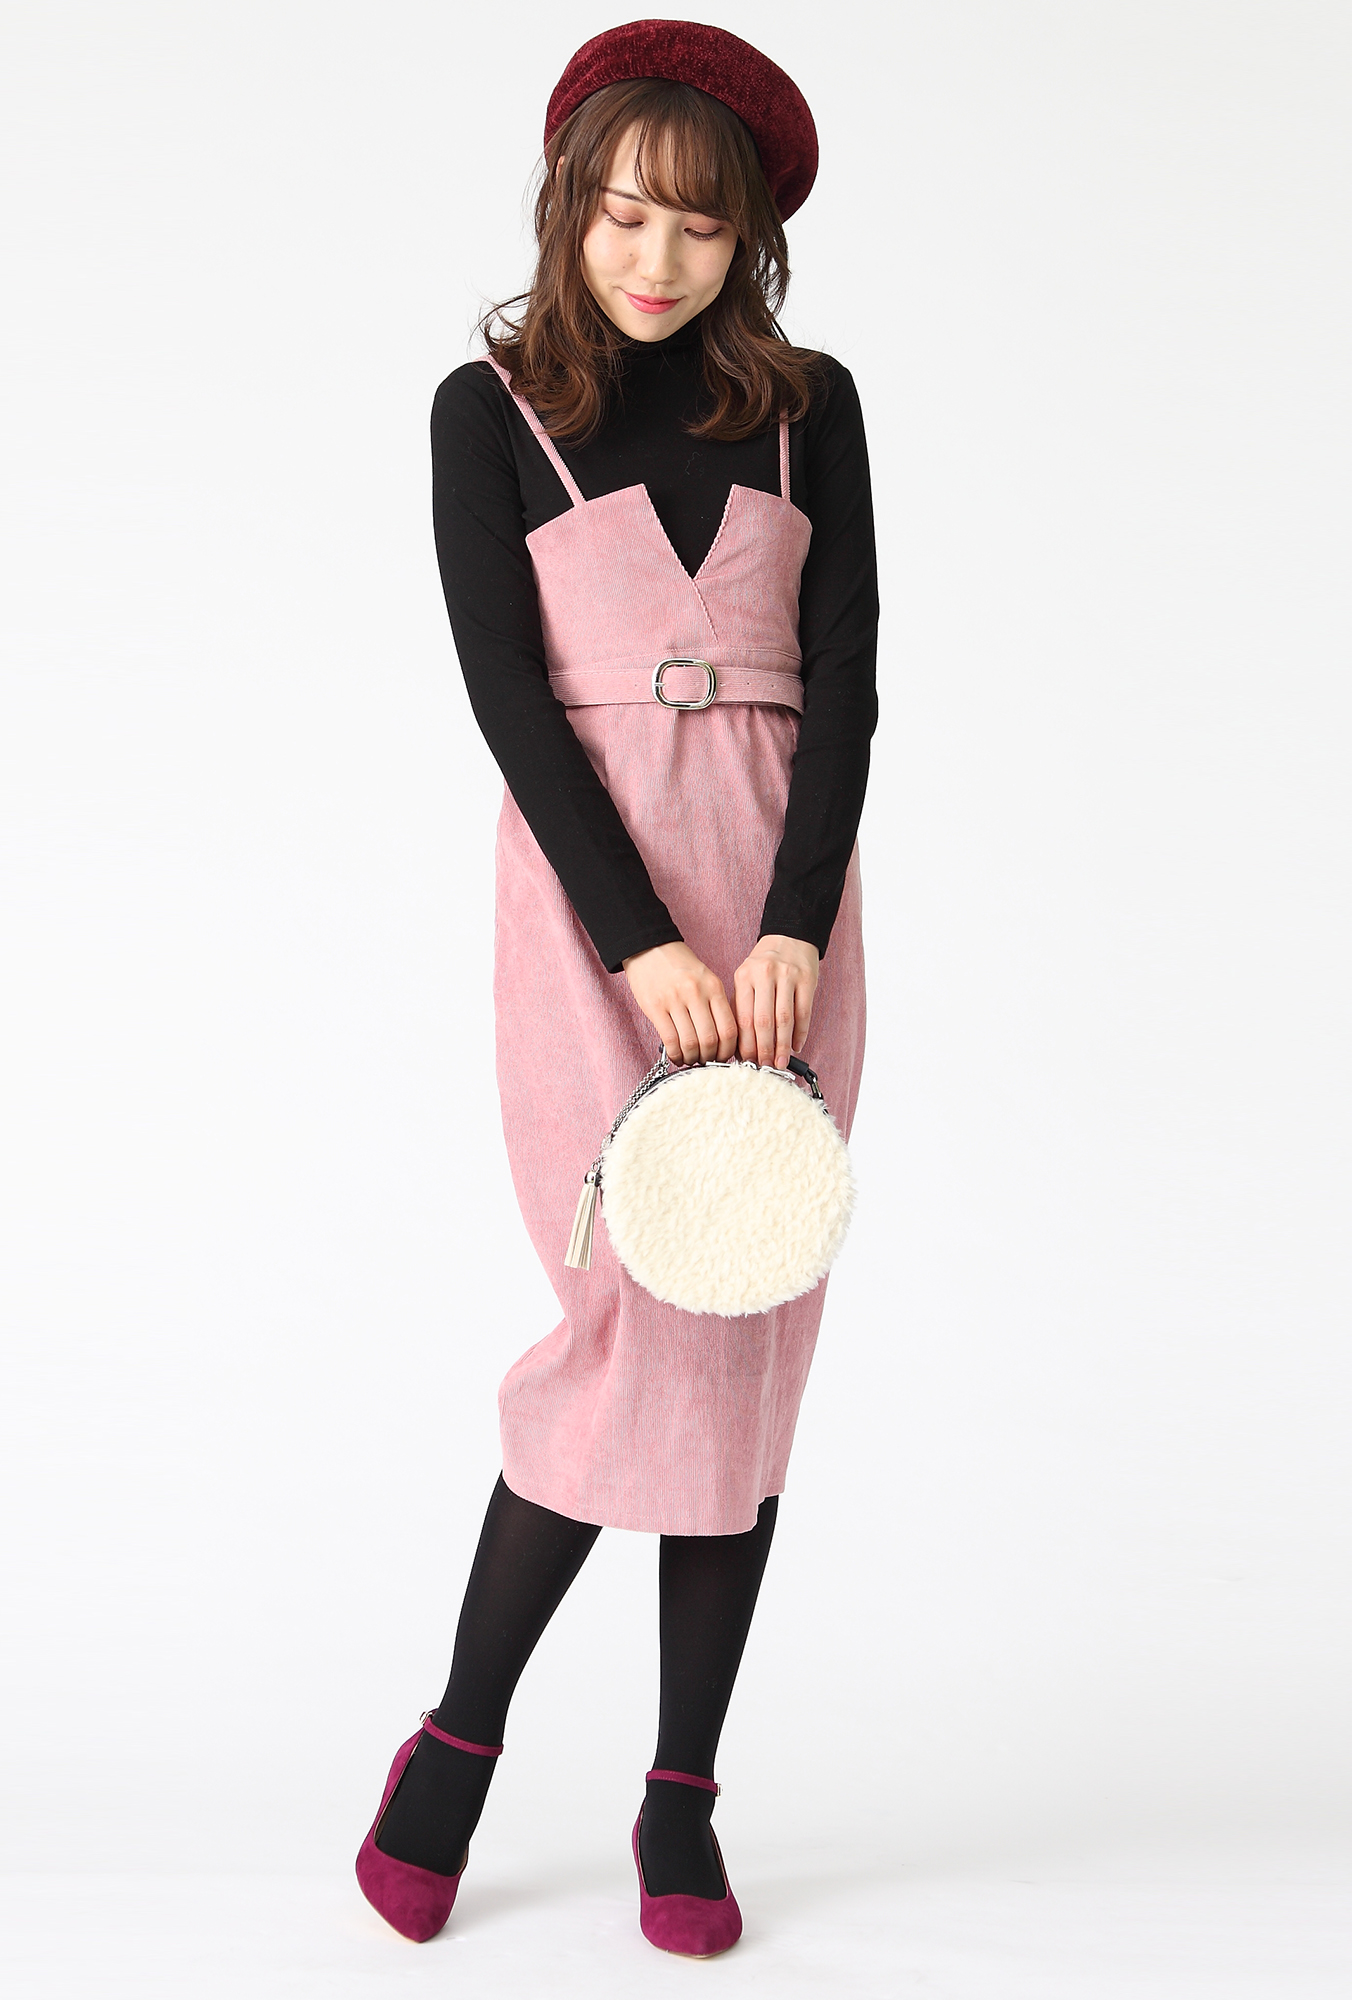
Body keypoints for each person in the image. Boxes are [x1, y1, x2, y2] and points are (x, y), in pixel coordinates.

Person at [352, 19, 877, 1961]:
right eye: (626, 216)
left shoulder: (813, 408)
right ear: (569, 209)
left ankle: (682, 1793)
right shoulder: (485, 411)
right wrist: (642, 943)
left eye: (700, 226)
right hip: (597, 915)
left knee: (747, 1323)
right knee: (622, 1320)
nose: (658, 259)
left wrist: (794, 927)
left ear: (752, 241)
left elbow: (851, 682)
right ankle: (460, 1736)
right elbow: (508, 697)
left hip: (784, 917)